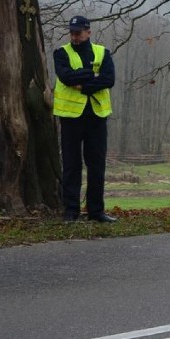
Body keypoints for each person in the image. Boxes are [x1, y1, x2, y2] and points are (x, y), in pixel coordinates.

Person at [53, 15, 117, 223]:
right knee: (71, 165)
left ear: (88, 32)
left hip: (97, 116)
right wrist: (92, 75)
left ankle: (96, 211)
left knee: (96, 164)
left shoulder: (102, 52)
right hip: (71, 117)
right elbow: (66, 77)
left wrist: (84, 82)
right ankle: (71, 211)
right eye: (72, 33)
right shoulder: (61, 53)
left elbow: (109, 79)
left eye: (78, 33)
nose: (74, 37)